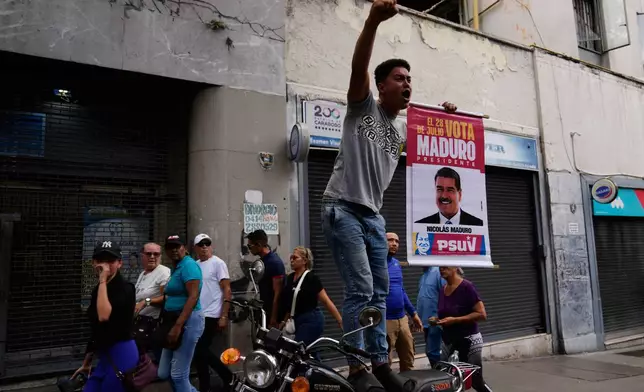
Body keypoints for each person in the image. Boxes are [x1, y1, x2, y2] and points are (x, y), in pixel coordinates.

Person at [320, 0, 457, 389]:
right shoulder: (363, 108)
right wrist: (372, 22)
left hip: (373, 216)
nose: (407, 83)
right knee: (361, 288)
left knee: (379, 292)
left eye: (409, 79)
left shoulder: (400, 132)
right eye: (399, 77)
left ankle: (379, 359)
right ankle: (357, 362)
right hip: (342, 208)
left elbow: (437, 148)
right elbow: (358, 66)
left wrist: (446, 115)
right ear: (381, 86)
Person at [73, 241, 138, 392]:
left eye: (110, 261)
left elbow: (103, 316)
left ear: (120, 263)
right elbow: (97, 328)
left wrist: (103, 280)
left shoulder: (126, 288)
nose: (105, 265)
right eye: (100, 260)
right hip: (105, 355)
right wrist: (87, 361)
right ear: (93, 263)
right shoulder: (98, 290)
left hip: (122, 352)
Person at [157, 234, 205, 392]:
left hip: (188, 321)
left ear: (184, 248)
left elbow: (193, 297)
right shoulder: (176, 266)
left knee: (178, 375)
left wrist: (178, 326)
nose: (174, 250)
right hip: (172, 320)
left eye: (177, 246)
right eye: (170, 247)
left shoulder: (188, 265)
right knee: (164, 372)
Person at [437, 266, 492, 392]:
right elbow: (445, 313)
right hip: (449, 341)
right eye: (440, 266)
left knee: (475, 381)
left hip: (469, 340)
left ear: (455, 267)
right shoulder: (442, 290)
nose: (441, 268)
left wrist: (455, 320)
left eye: (445, 266)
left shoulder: (467, 287)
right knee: (447, 380)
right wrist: (437, 320)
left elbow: (482, 314)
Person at [279, 247, 343, 354]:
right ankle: (318, 369)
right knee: (309, 353)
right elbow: (291, 304)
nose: (291, 260)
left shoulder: (311, 279)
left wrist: (340, 320)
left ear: (304, 261)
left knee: (297, 350)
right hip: (297, 320)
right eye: (291, 258)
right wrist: (283, 321)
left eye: (295, 258)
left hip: (311, 320)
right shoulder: (290, 278)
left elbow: (326, 301)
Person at [191, 233, 234, 392]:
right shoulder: (195, 265)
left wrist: (224, 315)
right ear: (195, 248)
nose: (204, 247)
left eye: (207, 244)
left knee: (200, 349)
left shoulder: (218, 263)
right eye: (201, 245)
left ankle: (227, 376)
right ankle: (205, 386)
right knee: (199, 353)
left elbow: (227, 289)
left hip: (212, 315)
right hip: (197, 314)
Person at [384, 233, 423, 372]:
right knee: (384, 363)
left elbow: (401, 290)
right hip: (385, 321)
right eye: (390, 240)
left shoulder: (396, 264)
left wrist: (413, 313)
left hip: (402, 319)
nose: (394, 243)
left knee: (408, 358)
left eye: (397, 241)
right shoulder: (375, 264)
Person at [133, 242, 170, 362]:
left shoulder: (163, 272)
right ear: (142, 255)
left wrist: (146, 302)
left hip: (154, 324)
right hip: (140, 322)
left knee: (160, 359)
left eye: (156, 254)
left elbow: (166, 298)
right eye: (149, 254)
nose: (152, 257)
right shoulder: (143, 273)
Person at [415, 167, 483, 226]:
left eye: (450, 190)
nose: (444, 195)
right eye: (440, 189)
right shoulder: (421, 225)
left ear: (459, 194)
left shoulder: (478, 224)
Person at [246, 229, 285, 328]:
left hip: (273, 314)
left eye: (250, 246)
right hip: (265, 311)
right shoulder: (263, 261)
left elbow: (278, 293)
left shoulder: (274, 263)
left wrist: (273, 317)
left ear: (258, 245)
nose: (249, 249)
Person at [416, 266, 445, 367]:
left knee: (434, 351)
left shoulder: (438, 272)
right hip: (425, 321)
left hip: (436, 321)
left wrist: (441, 317)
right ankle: (438, 373)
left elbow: (446, 293)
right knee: (430, 351)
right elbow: (422, 298)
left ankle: (441, 375)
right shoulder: (424, 275)